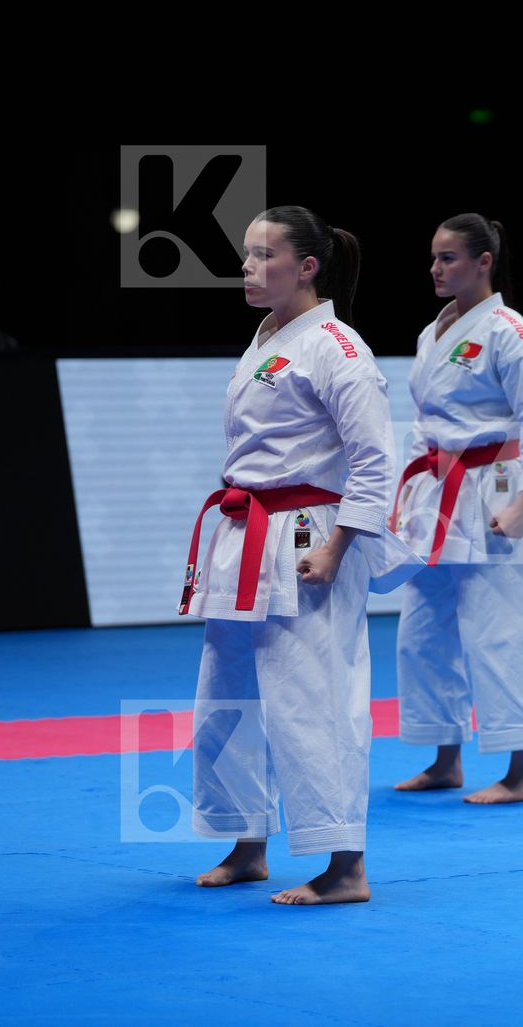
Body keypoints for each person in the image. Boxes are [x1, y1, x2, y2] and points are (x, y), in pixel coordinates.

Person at [181, 205, 415, 905]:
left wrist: (341, 545)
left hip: (309, 537)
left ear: (307, 267)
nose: (247, 267)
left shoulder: (338, 348)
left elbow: (374, 459)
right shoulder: (267, 337)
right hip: (247, 532)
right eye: (246, 253)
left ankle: (345, 864)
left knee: (313, 698)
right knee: (227, 693)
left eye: (264, 255)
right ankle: (246, 841)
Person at [390, 214, 523, 804]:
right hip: (439, 491)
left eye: (448, 258)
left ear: (484, 262)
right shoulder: (433, 332)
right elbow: (426, 423)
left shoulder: (511, 333)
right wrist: (409, 494)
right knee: (422, 629)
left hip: (499, 485)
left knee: (502, 630)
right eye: (433, 257)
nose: (435, 268)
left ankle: (522, 773)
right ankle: (444, 758)